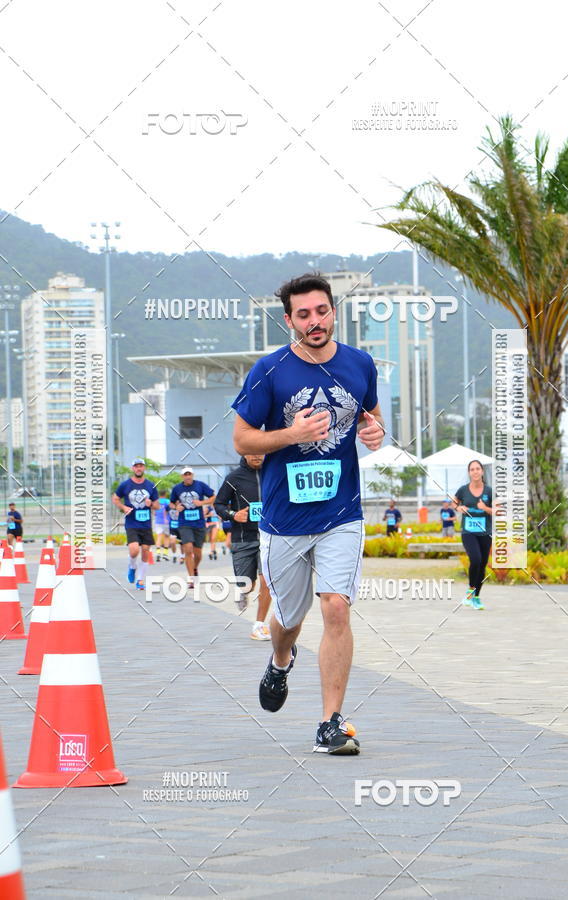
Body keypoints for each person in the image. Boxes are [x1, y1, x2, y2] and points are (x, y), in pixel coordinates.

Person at [232, 273, 384, 755]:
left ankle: (330, 723)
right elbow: (242, 438)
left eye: (322, 311)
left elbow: (371, 416)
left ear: (333, 311)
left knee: (336, 606)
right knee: (289, 620)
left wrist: (375, 432)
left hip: (342, 514)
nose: (314, 321)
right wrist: (289, 436)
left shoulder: (360, 363)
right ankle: (280, 661)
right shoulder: (269, 370)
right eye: (304, 314)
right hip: (284, 520)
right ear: (289, 320)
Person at [214, 455, 273, 641]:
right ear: (244, 454)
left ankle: (259, 625)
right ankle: (243, 591)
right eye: (252, 452)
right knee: (247, 584)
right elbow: (219, 504)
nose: (257, 456)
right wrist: (233, 515)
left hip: (269, 538)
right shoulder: (234, 477)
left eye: (260, 452)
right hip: (243, 539)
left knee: (267, 582)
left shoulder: (272, 473)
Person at [452, 460, 495, 610]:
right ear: (469, 473)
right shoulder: (463, 490)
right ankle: (470, 592)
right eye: (472, 469)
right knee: (475, 559)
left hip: (485, 533)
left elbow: (498, 510)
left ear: (482, 471)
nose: (475, 471)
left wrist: (485, 508)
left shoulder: (489, 491)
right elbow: (454, 502)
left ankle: (476, 598)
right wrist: (459, 508)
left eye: (477, 469)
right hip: (469, 532)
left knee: (482, 565)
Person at [112, 458, 159, 590]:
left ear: (144, 468)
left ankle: (140, 580)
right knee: (134, 551)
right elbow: (115, 498)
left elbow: (157, 505)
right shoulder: (125, 485)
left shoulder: (150, 485)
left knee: (145, 552)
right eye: (136, 466)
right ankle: (132, 567)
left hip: (146, 525)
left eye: (141, 466)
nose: (139, 468)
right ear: (133, 469)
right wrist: (123, 507)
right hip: (132, 523)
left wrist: (151, 504)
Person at [170, 467, 215, 590]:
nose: (188, 476)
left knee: (198, 554)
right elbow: (171, 503)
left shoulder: (200, 486)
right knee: (188, 549)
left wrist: (202, 503)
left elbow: (213, 497)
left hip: (199, 523)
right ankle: (191, 578)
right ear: (182, 476)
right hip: (184, 523)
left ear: (193, 475)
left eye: (189, 474)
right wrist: (176, 507)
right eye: (185, 475)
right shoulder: (177, 488)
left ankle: (194, 568)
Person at [154, 490, 171, 561]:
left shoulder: (156, 501)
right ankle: (165, 554)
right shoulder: (168, 501)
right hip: (166, 521)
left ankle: (158, 553)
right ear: (165, 494)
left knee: (159, 537)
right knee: (167, 537)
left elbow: (154, 512)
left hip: (158, 521)